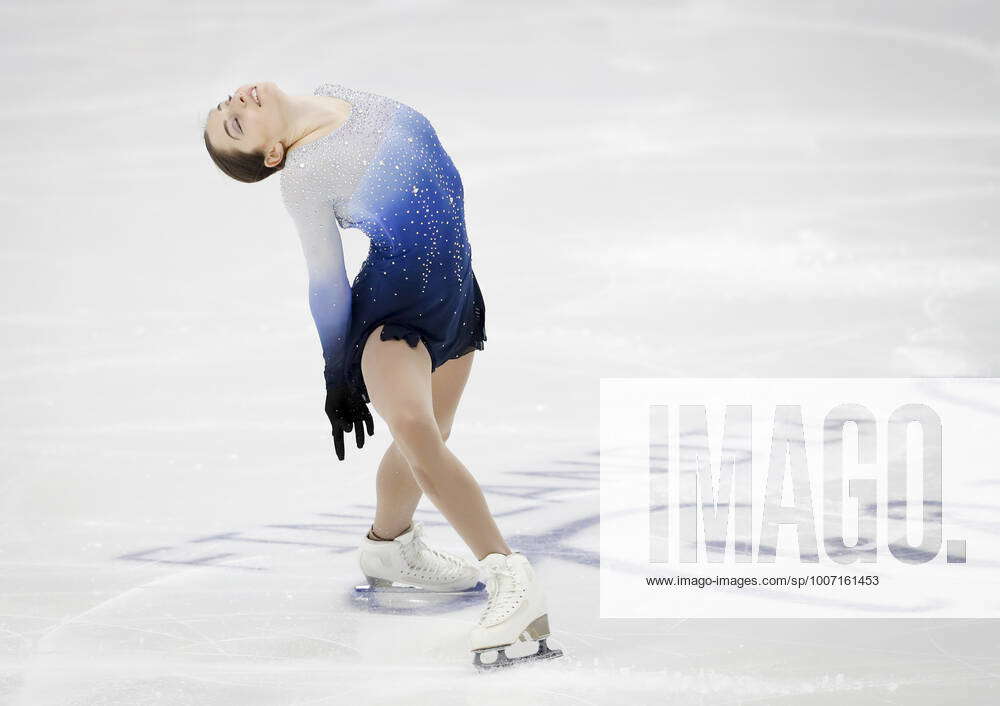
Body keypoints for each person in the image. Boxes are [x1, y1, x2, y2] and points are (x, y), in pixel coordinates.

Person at [203, 81, 561, 667]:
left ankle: (388, 547)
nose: (236, 106)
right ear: (272, 156)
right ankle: (509, 578)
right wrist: (335, 370)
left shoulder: (338, 92)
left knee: (431, 438)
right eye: (234, 125)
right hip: (393, 313)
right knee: (418, 429)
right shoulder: (302, 178)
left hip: (455, 293)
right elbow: (325, 282)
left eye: (228, 106)